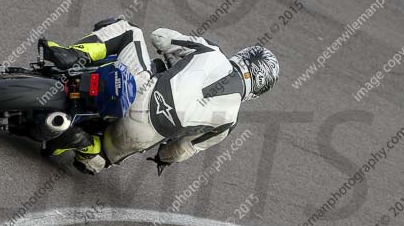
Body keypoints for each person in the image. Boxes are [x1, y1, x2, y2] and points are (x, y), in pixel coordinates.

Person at [42, 17, 279, 175]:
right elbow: (182, 150)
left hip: (142, 89)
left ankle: (72, 54)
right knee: (101, 160)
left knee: (128, 30)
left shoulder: (211, 51)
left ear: (242, 56)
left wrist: (176, 58)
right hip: (143, 134)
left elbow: (159, 37)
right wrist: (162, 158)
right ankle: (84, 146)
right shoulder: (229, 120)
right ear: (259, 90)